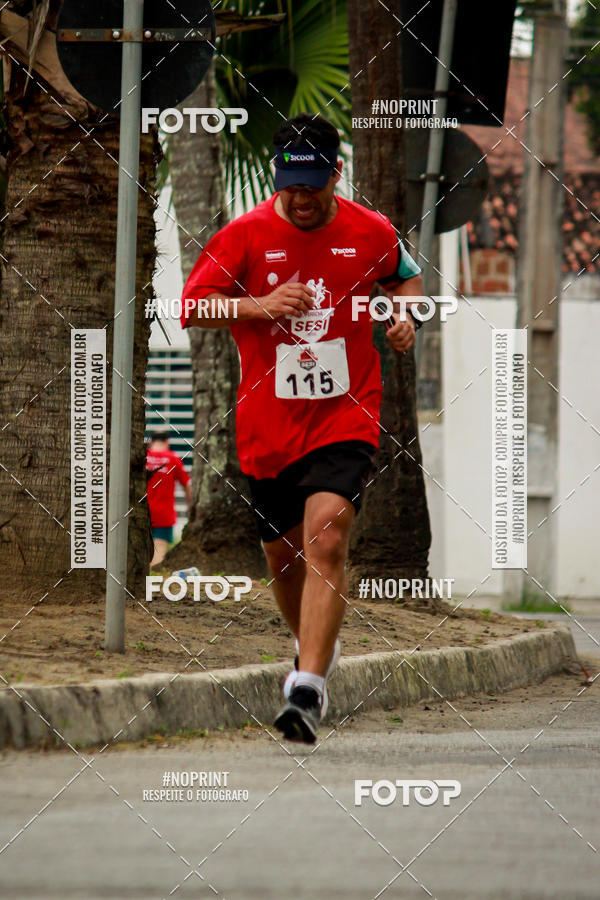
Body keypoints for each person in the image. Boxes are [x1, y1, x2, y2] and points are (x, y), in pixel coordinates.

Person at [181, 113, 423, 743]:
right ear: (276, 178)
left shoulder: (370, 230)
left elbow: (404, 277)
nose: (302, 196)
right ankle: (308, 646)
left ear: (334, 176)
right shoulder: (245, 235)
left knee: (328, 534)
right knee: (284, 557)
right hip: (268, 425)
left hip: (346, 411)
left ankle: (308, 688)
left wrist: (404, 319)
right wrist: (258, 305)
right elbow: (194, 306)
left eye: (313, 183)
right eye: (291, 183)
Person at [146, 430, 192, 568]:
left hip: (139, 513)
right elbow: (187, 485)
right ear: (167, 442)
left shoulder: (142, 457)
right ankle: (151, 583)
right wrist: (190, 505)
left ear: (151, 441)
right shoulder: (173, 459)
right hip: (163, 515)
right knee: (158, 556)